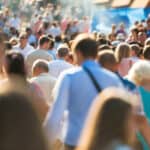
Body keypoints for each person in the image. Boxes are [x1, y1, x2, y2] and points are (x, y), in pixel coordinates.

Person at [44, 34, 122, 150]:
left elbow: (56, 115)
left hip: (75, 140)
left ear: (78, 53)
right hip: (103, 141)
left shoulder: (69, 77)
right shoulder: (112, 79)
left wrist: (44, 142)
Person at [1, 51, 49, 122]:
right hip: (27, 129)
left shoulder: (2, 87)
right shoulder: (32, 88)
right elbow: (44, 110)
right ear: (23, 67)